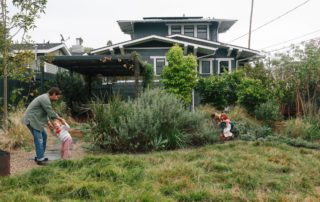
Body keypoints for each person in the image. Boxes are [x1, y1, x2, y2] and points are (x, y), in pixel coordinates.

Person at [22, 87, 61, 165]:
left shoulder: (45, 98)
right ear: (53, 94)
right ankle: (40, 159)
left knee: (44, 136)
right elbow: (50, 112)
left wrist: (48, 122)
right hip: (32, 120)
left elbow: (44, 112)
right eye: (57, 96)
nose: (57, 98)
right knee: (39, 139)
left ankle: (40, 156)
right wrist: (60, 119)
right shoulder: (45, 99)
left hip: (36, 120)